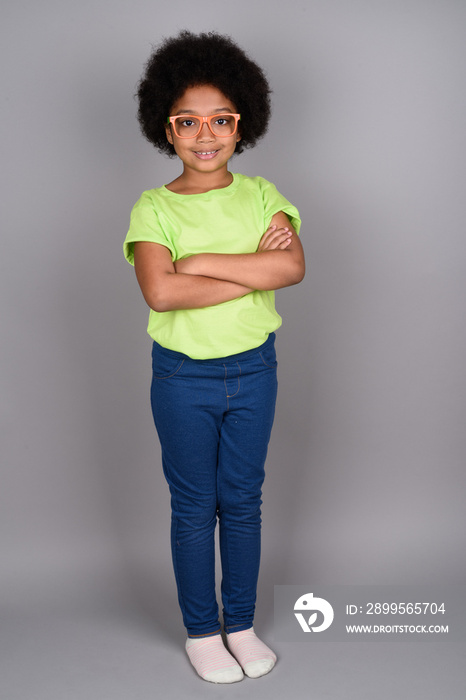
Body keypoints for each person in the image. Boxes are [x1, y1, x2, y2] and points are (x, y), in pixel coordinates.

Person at [123, 30, 305, 684]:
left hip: (256, 371)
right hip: (182, 380)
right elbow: (161, 289)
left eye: (221, 119)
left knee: (245, 501)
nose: (207, 134)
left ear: (243, 122)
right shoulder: (153, 208)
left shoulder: (262, 194)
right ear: (165, 130)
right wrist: (248, 269)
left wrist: (201, 262)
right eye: (188, 122)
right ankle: (204, 631)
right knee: (195, 507)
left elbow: (291, 267)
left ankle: (243, 623)